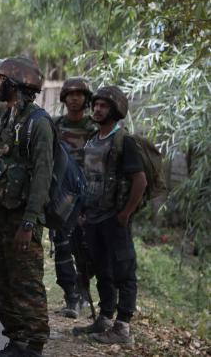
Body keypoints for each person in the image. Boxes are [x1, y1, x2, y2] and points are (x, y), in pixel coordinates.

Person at [0, 57, 52, 357]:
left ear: (14, 84)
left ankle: (34, 345)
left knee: (27, 283)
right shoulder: (2, 117)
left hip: (22, 219)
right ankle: (17, 340)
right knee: (0, 281)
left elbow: (42, 176)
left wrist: (29, 223)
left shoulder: (38, 123)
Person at [72, 86, 145, 347]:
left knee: (124, 271)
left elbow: (140, 180)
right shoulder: (93, 139)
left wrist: (125, 214)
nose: (97, 109)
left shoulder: (123, 141)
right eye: (97, 105)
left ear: (114, 110)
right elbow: (86, 178)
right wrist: (81, 211)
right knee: (102, 270)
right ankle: (104, 319)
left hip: (114, 218)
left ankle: (123, 328)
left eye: (103, 106)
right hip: (92, 217)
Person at [52, 77, 97, 318]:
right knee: (61, 247)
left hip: (90, 198)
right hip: (62, 198)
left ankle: (82, 291)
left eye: (80, 94)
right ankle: (71, 296)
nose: (74, 97)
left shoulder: (93, 129)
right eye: (70, 94)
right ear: (64, 98)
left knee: (88, 249)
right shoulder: (56, 125)